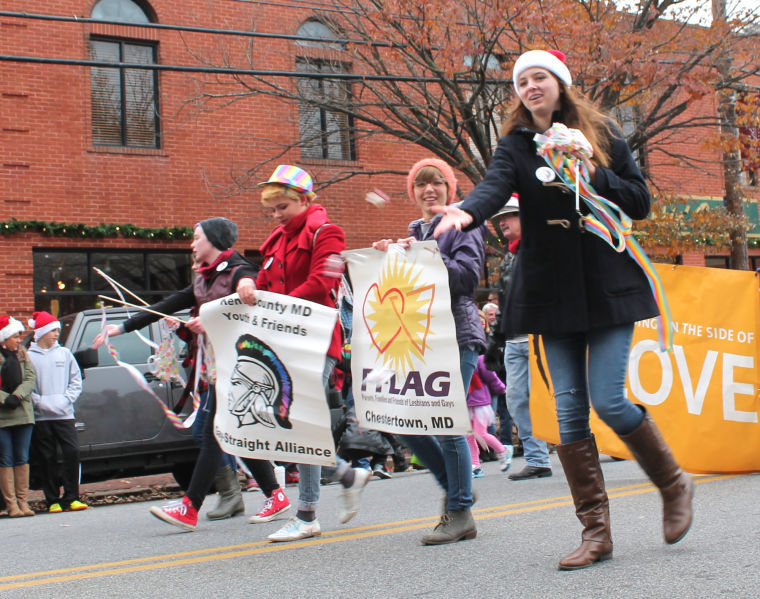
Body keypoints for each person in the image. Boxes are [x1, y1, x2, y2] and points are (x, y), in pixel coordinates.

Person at [431, 49, 693, 569]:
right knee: (570, 410)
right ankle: (596, 534)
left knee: (609, 401)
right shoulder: (515, 145)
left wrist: (591, 172)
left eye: (540, 77)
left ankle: (673, 483)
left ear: (560, 84)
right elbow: (493, 186)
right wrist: (465, 211)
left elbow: (638, 201)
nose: (531, 87)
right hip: (551, 291)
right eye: (522, 81)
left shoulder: (604, 136)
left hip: (606, 281)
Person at [93, 217, 290, 531]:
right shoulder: (202, 279)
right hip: (215, 368)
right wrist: (122, 327)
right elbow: (168, 304)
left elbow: (250, 299)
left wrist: (234, 297)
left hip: (238, 367)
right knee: (228, 434)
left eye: (196, 237)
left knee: (215, 434)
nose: (192, 243)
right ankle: (275, 494)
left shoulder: (241, 271)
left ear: (213, 240)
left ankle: (190, 506)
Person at [239, 165, 370, 543]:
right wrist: (248, 282)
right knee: (299, 420)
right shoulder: (275, 240)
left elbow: (321, 284)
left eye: (283, 206)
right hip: (283, 339)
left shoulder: (326, 232)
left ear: (304, 200)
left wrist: (276, 305)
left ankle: (310, 510)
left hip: (315, 338)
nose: (277, 214)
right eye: (273, 208)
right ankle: (342, 478)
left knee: (300, 418)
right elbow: (262, 281)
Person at [373, 157, 486, 545]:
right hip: (419, 340)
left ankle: (458, 509)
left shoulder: (463, 223)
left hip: (456, 335)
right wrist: (386, 258)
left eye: (436, 182)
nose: (428, 190)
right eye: (420, 184)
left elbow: (467, 279)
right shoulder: (414, 231)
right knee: (407, 421)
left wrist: (421, 255)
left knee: (448, 424)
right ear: (413, 193)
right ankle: (460, 493)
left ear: (449, 189)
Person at [493, 196, 552, 481]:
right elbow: (505, 304)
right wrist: (495, 339)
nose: (502, 221)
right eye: (500, 217)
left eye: (510, 215)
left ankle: (597, 444)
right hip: (514, 341)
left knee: (561, 397)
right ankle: (538, 459)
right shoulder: (508, 258)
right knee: (516, 399)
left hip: (542, 339)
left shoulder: (543, 249)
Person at [27, 311, 88, 513]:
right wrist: (41, 402)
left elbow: (76, 381)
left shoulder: (65, 354)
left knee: (72, 453)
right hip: (42, 417)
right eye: (53, 330)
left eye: (57, 331)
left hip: (64, 415)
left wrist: (65, 400)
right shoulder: (29, 357)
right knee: (47, 457)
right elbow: (28, 385)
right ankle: (52, 499)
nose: (56, 334)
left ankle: (72, 497)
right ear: (42, 332)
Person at [0, 315, 36, 517]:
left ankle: (24, 503)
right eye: (14, 336)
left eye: (19, 336)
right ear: (4, 338)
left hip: (23, 413)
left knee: (22, 457)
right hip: (2, 417)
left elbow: (31, 378)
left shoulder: (24, 355)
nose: (18, 340)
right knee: (6, 459)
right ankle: (11, 504)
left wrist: (17, 395)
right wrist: (6, 399)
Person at [466, 353, 510, 477]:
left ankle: (502, 450)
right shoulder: (457, 359)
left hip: (480, 403)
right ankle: (475, 465)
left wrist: (501, 388)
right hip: (466, 403)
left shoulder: (479, 359)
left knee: (480, 433)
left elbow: (491, 377)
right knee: (468, 436)